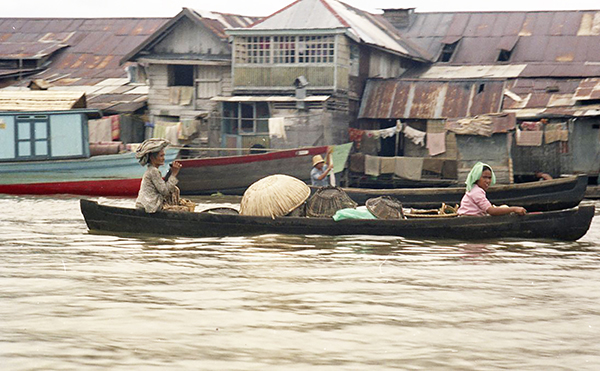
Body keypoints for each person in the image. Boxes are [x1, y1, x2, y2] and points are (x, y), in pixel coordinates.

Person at [458, 162, 527, 216]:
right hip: (470, 219)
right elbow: (491, 211)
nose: (487, 181)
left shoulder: (474, 189)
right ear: (477, 178)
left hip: (474, 218)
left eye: (489, 178)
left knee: (504, 207)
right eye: (484, 177)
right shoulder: (477, 191)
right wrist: (514, 209)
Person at [135, 138, 183, 213]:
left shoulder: (152, 170)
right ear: (152, 158)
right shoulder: (153, 171)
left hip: (147, 205)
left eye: (163, 155)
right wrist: (174, 174)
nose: (163, 158)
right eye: (161, 156)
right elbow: (165, 191)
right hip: (150, 206)